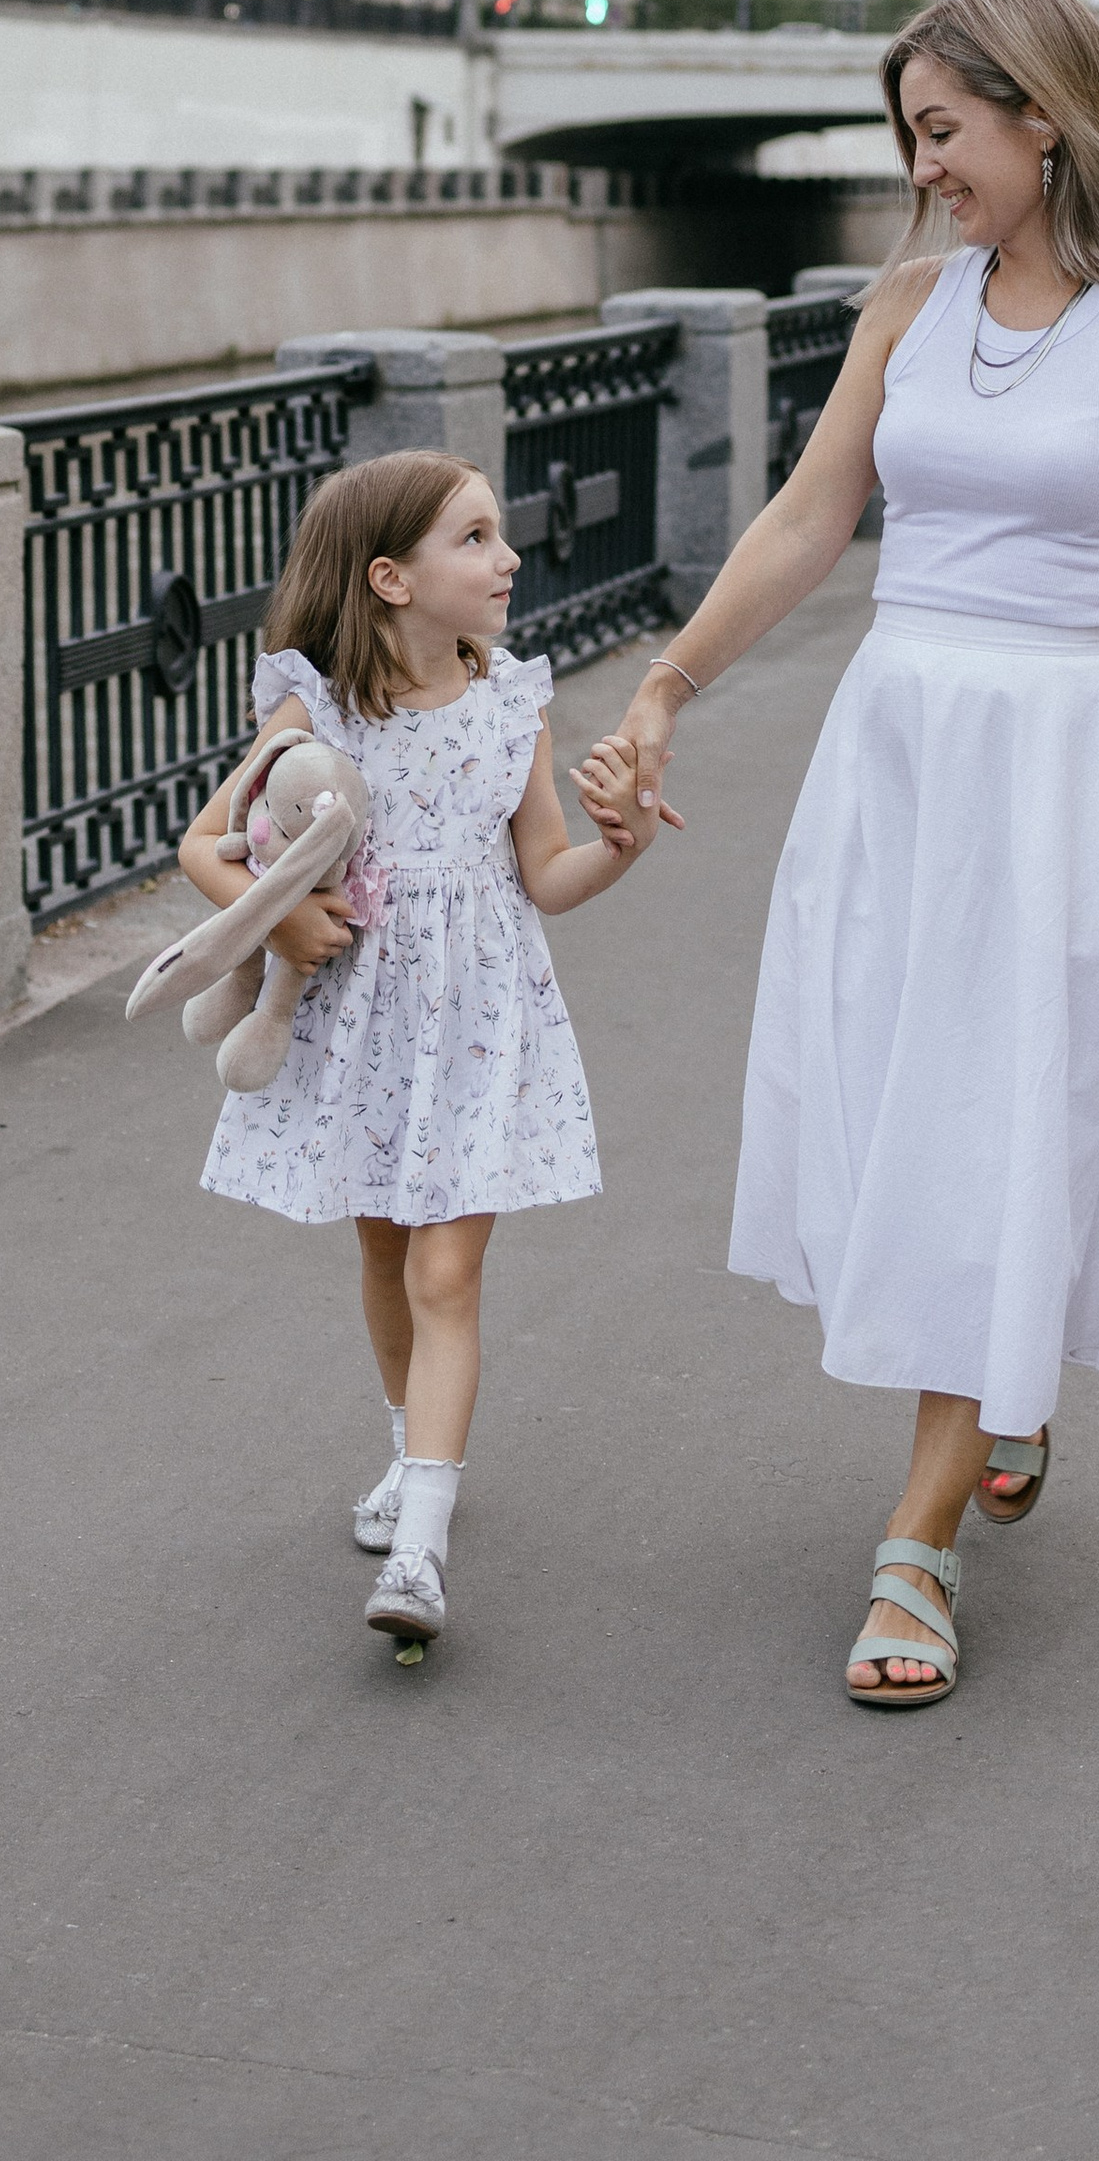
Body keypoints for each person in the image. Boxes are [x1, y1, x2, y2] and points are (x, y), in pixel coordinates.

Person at [582, 0, 1099, 1710]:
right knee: (904, 1102)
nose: (924, 165)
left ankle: (918, 1541)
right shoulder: (908, 304)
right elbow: (813, 519)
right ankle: (1005, 1384)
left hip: (1061, 772)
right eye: (909, 136)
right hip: (897, 756)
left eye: (944, 130)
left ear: (1044, 113)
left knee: (994, 1119)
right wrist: (664, 688)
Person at [181, 449, 666, 1653]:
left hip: (477, 1022)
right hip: (359, 1021)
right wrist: (281, 913)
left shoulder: (513, 700)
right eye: (476, 539)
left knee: (447, 1275)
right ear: (390, 577)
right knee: (387, 1251)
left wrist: (627, 841)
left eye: (499, 537)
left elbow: (546, 875)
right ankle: (410, 1446)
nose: (508, 559)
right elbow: (203, 843)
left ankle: (422, 1548)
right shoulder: (314, 709)